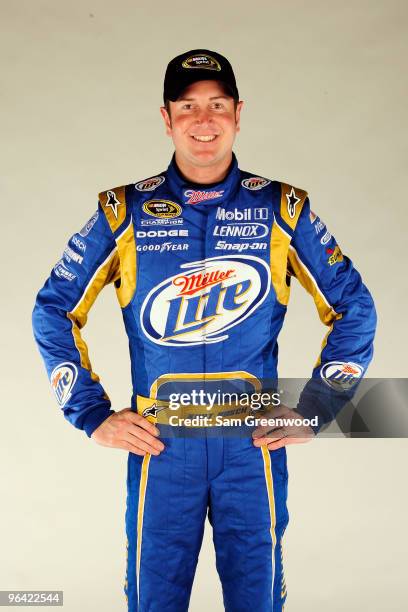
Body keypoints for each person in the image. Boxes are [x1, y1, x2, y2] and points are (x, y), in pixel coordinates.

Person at [32, 49, 377, 611]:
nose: (203, 119)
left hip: (252, 447)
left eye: (217, 104)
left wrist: (319, 407)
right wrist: (89, 413)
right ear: (166, 118)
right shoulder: (124, 212)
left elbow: (354, 306)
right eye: (188, 106)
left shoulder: (281, 210)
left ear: (239, 113)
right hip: (161, 450)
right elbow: (53, 307)